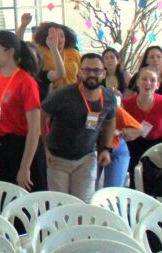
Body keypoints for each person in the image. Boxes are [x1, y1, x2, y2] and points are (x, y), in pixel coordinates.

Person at [41, 53, 116, 201]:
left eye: (97, 71)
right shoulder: (62, 95)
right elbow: (42, 116)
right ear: (79, 72)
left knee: (83, 204)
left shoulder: (109, 97)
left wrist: (106, 149)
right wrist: (45, 148)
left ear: (104, 73)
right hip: (57, 158)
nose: (92, 74)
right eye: (87, 70)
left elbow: (110, 121)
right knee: (60, 205)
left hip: (87, 158)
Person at [0, 30, 46, 191]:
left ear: (9, 52)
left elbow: (35, 128)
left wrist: (25, 167)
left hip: (24, 147)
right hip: (4, 147)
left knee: (28, 204)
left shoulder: (26, 82)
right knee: (6, 200)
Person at [122, 68, 162, 176]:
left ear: (158, 84)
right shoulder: (126, 104)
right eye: (144, 79)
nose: (148, 83)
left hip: (157, 148)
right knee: (135, 179)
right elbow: (120, 130)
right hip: (134, 146)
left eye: (152, 80)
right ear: (137, 82)